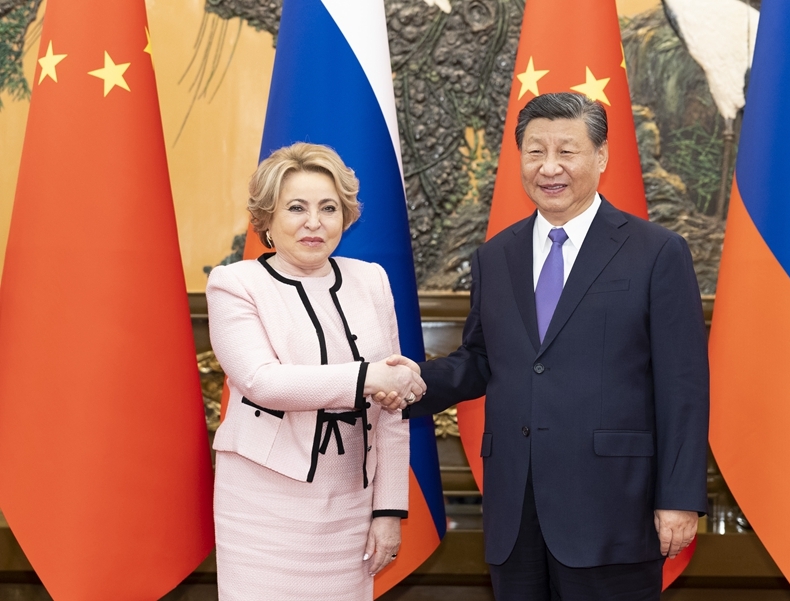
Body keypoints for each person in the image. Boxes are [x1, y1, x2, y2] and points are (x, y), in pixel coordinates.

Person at [402, 92, 709, 601]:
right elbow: (480, 360)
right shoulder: (494, 256)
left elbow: (683, 386)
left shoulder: (657, 252)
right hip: (515, 511)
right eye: (535, 151)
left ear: (601, 156)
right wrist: (403, 383)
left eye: (567, 151)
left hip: (614, 508)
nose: (549, 167)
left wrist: (678, 497)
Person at [206, 142, 426, 601]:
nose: (314, 222)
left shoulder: (372, 280)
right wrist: (368, 378)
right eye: (296, 208)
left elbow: (391, 412)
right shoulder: (235, 284)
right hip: (262, 504)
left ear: (346, 217)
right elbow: (262, 381)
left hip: (351, 505)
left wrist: (388, 510)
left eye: (329, 208)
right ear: (266, 218)